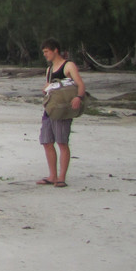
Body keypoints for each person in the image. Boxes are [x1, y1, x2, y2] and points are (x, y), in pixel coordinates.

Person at [37, 38, 85, 188]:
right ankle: (52, 176)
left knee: (62, 142)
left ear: (55, 50)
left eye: (46, 52)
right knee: (46, 141)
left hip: (63, 109)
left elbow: (80, 84)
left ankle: (61, 177)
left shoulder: (68, 66)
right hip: (50, 109)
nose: (45, 55)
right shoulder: (49, 69)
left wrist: (78, 97)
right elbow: (48, 84)